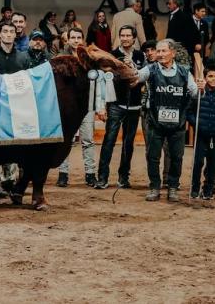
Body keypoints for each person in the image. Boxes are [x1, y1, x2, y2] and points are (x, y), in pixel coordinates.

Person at [135, 39, 200, 202]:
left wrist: (201, 88)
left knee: (176, 156)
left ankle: (172, 187)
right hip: (155, 122)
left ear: (173, 53)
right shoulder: (150, 69)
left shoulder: (185, 72)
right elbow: (135, 77)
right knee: (153, 156)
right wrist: (129, 71)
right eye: (158, 51)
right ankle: (154, 187)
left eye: (164, 51)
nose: (160, 54)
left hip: (178, 124)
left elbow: (194, 92)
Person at [94, 25, 145, 189]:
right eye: (122, 35)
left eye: (128, 35)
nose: (124, 38)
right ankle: (102, 177)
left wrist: (133, 67)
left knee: (128, 143)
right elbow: (106, 78)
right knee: (109, 140)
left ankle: (124, 177)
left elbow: (144, 76)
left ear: (134, 38)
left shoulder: (140, 55)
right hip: (116, 103)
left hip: (134, 104)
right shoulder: (112, 55)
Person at [0, 20, 30, 195]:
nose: (9, 34)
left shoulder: (23, 58)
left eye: (12, 31)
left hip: (15, 108)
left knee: (12, 144)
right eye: (5, 31)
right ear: (0, 34)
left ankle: (10, 181)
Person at [57, 27, 101, 187]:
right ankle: (63, 174)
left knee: (88, 140)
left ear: (82, 40)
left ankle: (90, 174)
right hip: (67, 108)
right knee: (66, 140)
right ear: (67, 39)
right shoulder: (61, 58)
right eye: (73, 37)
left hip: (87, 106)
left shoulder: (90, 59)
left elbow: (96, 83)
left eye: (78, 37)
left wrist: (99, 105)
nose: (76, 40)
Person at [187, 65, 215, 200]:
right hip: (201, 134)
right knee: (198, 162)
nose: (213, 79)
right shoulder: (199, 95)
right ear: (205, 78)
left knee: (213, 164)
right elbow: (189, 112)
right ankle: (194, 189)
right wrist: (196, 123)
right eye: (210, 76)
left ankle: (208, 189)